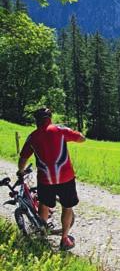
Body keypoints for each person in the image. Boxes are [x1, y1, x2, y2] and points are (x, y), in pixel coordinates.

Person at [17, 107, 85, 250]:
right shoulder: (60, 130)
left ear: (36, 121)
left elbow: (23, 158)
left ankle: (43, 236)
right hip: (66, 178)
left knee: (44, 204)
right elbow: (81, 138)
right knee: (67, 207)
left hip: (45, 180)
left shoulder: (32, 137)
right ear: (50, 118)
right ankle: (64, 239)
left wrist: (21, 171)